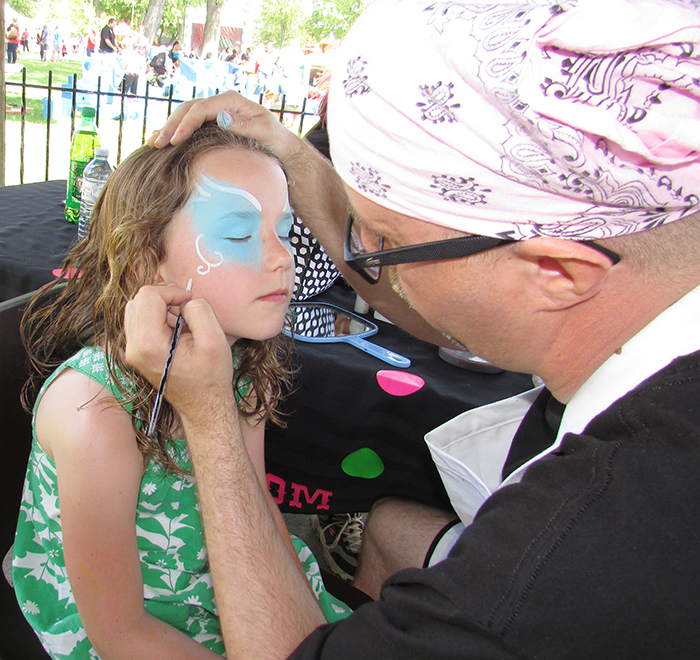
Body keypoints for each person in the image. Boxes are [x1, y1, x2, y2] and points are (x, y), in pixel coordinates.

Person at [128, 0, 700, 658]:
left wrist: (211, 421)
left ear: (559, 272)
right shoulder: (647, 297)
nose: (362, 261)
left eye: (387, 243)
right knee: (392, 527)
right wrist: (287, 148)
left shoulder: (570, 566)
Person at [12, 122, 350, 660]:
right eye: (239, 235)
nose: (282, 256)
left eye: (285, 230)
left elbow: (256, 501)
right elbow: (120, 633)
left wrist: (304, 622)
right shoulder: (93, 415)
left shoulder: (236, 362)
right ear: (147, 260)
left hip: (226, 573)